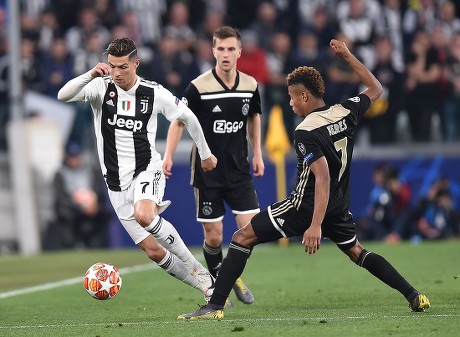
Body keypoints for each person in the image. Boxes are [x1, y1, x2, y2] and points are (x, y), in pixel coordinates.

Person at [177, 39, 430, 320]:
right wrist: (348, 56)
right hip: (336, 203)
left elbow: (321, 176)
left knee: (241, 236)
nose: (290, 102)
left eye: (292, 97)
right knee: (357, 251)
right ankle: (414, 295)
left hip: (306, 206)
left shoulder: (305, 131)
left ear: (305, 97)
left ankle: (214, 306)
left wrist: (315, 225)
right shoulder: (346, 111)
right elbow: (376, 88)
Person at [57, 37, 218, 301]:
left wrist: (205, 153)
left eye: (122, 67)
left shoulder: (153, 92)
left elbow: (187, 116)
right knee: (154, 252)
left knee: (144, 214)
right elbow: (63, 95)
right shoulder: (100, 87)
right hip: (115, 185)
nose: (116, 73)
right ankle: (207, 288)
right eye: (112, 66)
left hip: (146, 169)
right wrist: (90, 74)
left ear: (136, 64)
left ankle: (197, 269)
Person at [163, 26, 265, 306]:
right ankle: (225, 277)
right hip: (207, 173)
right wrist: (168, 155)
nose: (226, 54)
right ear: (213, 51)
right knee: (214, 235)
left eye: (231, 49)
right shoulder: (198, 87)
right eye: (221, 49)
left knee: (251, 231)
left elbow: (254, 118)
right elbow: (178, 121)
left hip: (239, 171)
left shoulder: (250, 85)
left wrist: (258, 153)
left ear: (240, 52)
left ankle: (228, 276)